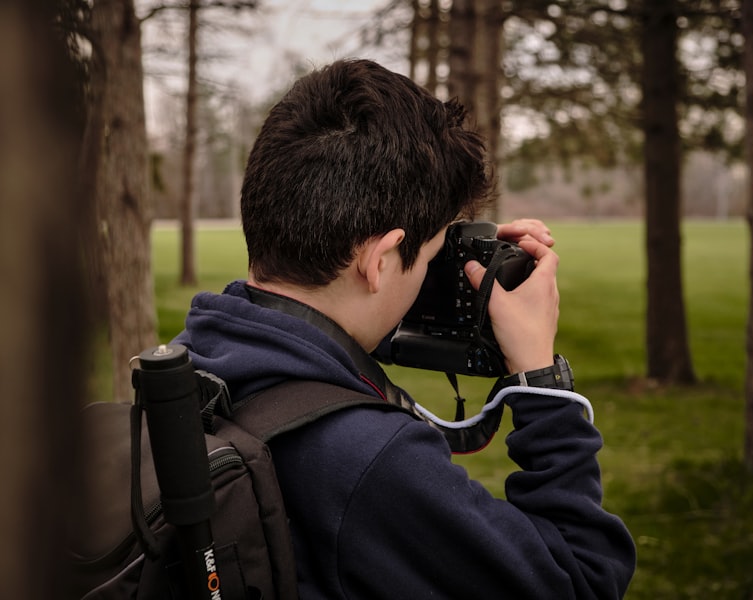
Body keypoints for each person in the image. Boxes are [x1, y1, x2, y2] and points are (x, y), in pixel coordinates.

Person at [174, 58, 636, 599]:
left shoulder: (192, 366)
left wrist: (428, 254)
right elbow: (581, 575)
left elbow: (330, 317)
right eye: (432, 255)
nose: (432, 267)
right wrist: (542, 383)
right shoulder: (372, 461)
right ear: (380, 260)